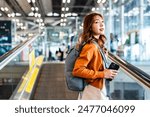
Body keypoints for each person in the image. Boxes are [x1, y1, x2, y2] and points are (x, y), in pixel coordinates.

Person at [72, 12, 118, 100]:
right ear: (89, 26)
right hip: (92, 92)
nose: (101, 24)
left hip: (98, 89)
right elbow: (77, 70)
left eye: (102, 22)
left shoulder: (98, 45)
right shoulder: (90, 46)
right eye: (96, 22)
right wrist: (102, 74)